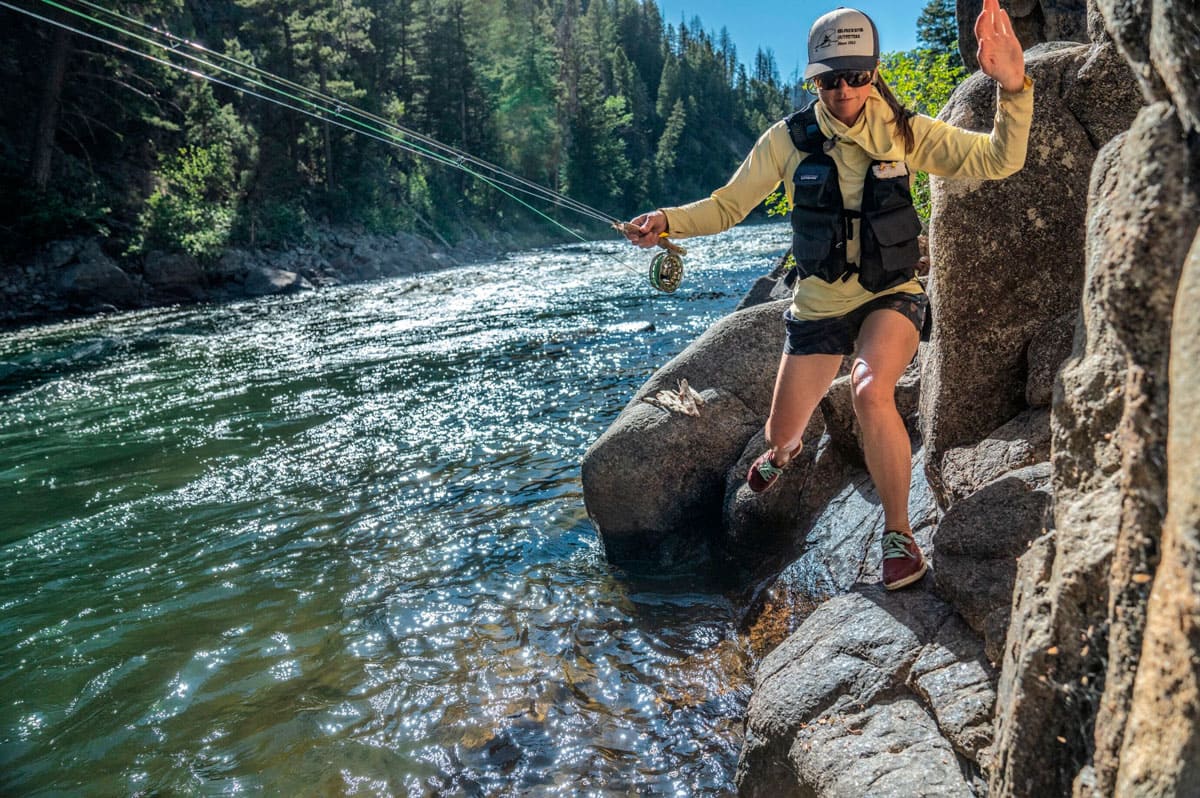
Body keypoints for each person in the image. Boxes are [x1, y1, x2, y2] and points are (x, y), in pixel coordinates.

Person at [623, 0, 1031, 590]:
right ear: (814, 79)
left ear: (874, 72)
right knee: (781, 434)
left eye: (858, 76)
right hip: (817, 307)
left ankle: (899, 538)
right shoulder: (786, 142)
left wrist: (1013, 85)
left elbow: (1001, 158)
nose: (845, 91)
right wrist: (667, 219)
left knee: (870, 390)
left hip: (890, 294)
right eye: (831, 79)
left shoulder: (906, 131)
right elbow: (727, 205)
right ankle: (783, 458)